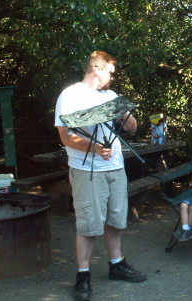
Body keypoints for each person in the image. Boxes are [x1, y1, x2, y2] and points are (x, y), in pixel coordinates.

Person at [54, 51, 146, 301]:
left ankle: (116, 264)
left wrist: (126, 117)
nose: (112, 78)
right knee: (88, 224)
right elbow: (65, 136)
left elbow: (132, 127)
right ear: (97, 68)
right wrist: (94, 147)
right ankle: (83, 275)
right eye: (110, 72)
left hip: (115, 167)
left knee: (114, 219)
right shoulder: (70, 95)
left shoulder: (111, 96)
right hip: (86, 171)